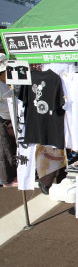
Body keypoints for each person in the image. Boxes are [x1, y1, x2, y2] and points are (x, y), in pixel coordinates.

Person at [0, 53, 17, 187]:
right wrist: (10, 106)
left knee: (9, 148)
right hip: (2, 120)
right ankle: (7, 179)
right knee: (4, 149)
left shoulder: (3, 83)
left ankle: (10, 176)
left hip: (7, 119)